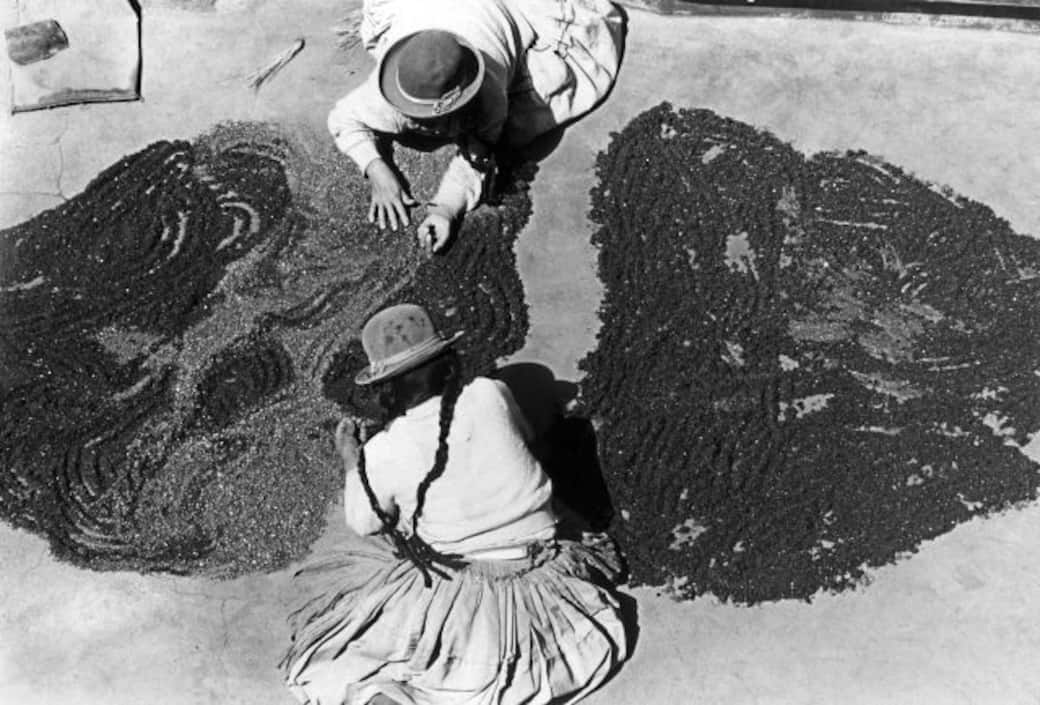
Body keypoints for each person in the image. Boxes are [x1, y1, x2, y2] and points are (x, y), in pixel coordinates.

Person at [281, 303, 628, 705]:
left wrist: (351, 462)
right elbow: (526, 436)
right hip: (549, 578)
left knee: (347, 660)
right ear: (447, 363)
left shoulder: (387, 449)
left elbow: (365, 522)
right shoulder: (491, 393)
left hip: (473, 591)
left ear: (386, 388)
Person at [328, 0, 626, 251]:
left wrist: (446, 207)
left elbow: (479, 153)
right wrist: (378, 170)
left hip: (499, 12)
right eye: (417, 116)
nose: (427, 130)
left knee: (524, 124)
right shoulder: (393, 85)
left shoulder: (488, 96)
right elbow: (343, 118)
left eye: (434, 120)